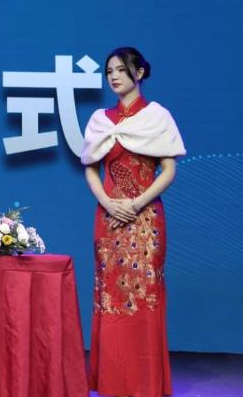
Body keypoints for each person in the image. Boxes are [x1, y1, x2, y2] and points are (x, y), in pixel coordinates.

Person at [80, 47, 185, 397]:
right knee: (110, 294)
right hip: (108, 218)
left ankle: (144, 384)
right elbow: (90, 169)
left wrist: (137, 203)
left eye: (121, 70)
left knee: (144, 296)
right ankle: (113, 382)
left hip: (146, 219)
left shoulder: (157, 116)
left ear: (139, 73)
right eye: (109, 71)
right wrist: (107, 202)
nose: (114, 76)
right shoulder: (100, 119)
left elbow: (168, 170)